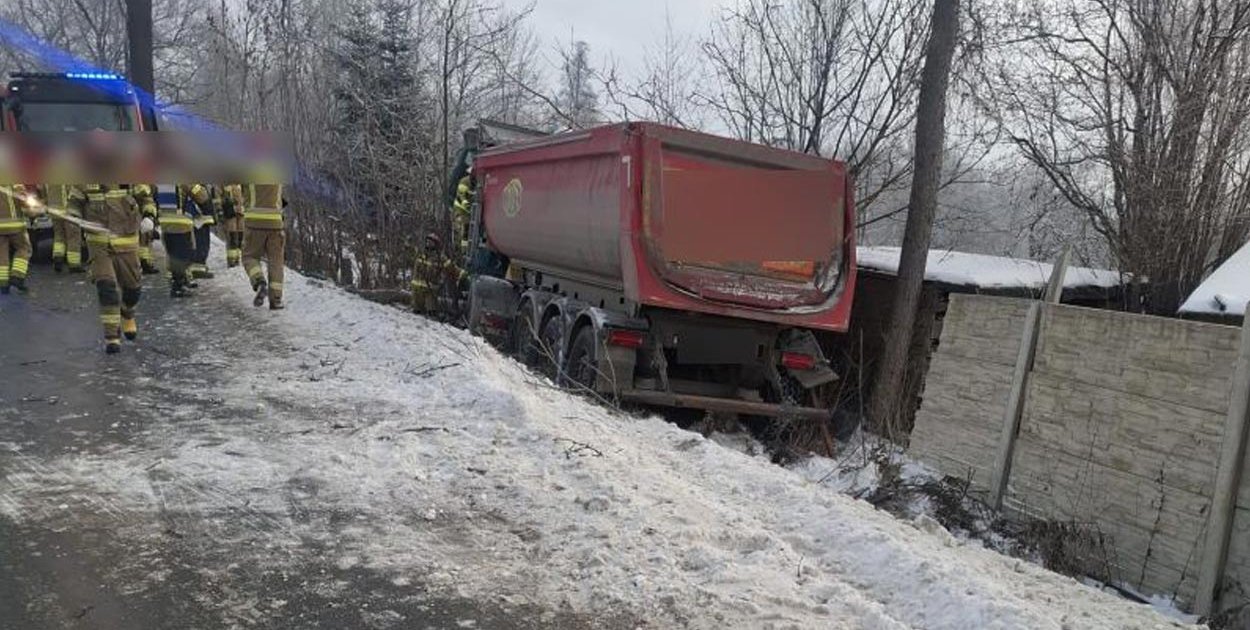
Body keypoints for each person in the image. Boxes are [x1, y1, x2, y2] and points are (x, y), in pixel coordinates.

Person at [69, 184, 146, 353]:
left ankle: (127, 312)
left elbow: (145, 196)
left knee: (133, 289)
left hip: (127, 243)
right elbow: (74, 202)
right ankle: (112, 337)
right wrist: (74, 216)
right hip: (99, 245)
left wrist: (149, 216)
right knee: (106, 287)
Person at [241, 182, 286, 310]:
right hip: (276, 222)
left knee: (249, 257)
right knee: (276, 261)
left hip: (254, 222)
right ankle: (276, 299)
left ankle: (259, 281)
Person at [0, 184, 41, 294]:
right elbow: (24, 201)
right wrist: (34, 211)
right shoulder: (14, 183)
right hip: (15, 225)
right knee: (24, 249)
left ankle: (3, 284)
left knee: (2, 254)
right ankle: (17, 277)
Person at [45, 184, 84, 273]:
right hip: (70, 210)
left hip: (54, 210)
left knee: (59, 235)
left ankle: (58, 257)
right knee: (73, 237)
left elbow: (43, 190)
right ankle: (74, 265)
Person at [187, 184, 216, 280]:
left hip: (197, 216)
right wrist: (209, 208)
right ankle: (198, 269)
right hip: (198, 217)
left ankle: (198, 268)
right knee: (201, 242)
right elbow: (200, 195)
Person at [219, 183, 245, 268]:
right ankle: (232, 260)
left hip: (241, 212)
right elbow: (218, 196)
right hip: (230, 212)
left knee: (240, 235)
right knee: (232, 235)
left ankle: (238, 257)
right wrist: (221, 209)